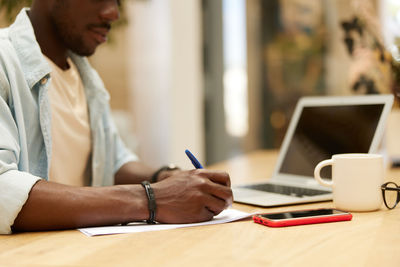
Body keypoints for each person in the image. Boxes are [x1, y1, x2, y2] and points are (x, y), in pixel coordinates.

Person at [0, 0, 232, 234]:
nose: (113, 13)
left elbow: (112, 162)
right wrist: (152, 199)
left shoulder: (88, 79)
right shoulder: (3, 61)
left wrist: (166, 177)